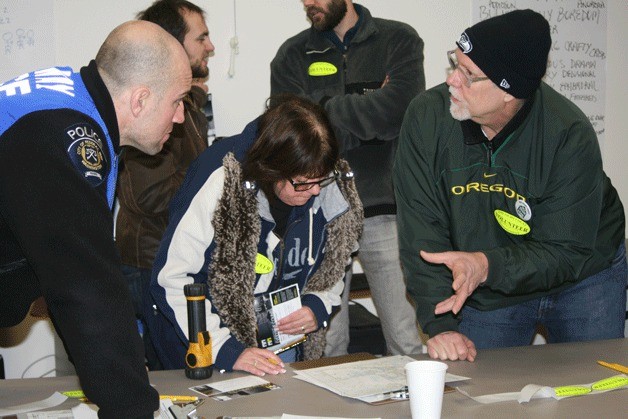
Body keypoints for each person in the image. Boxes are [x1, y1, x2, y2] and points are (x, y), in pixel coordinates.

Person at [394, 9, 626, 363]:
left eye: (468, 75)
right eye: (454, 64)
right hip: (489, 287)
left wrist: (486, 265)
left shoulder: (567, 133)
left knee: (595, 388)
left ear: (508, 92)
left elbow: (566, 250)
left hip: (584, 279)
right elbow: (421, 230)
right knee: (482, 395)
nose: (452, 81)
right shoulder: (426, 118)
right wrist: (440, 323)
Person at [0, 21, 191, 418]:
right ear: (140, 100)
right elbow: (87, 288)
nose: (180, 117)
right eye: (178, 100)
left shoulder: (65, 98)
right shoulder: (69, 135)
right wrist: (135, 409)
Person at [145, 94, 363, 375]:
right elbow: (171, 280)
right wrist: (225, 350)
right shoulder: (220, 180)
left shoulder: (323, 177)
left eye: (321, 179)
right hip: (207, 351)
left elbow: (335, 261)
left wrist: (317, 305)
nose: (316, 191)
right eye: (303, 184)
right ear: (271, 171)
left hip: (280, 352)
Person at [270, 0, 424, 356]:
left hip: (383, 208)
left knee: (404, 338)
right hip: (317, 214)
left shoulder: (398, 40)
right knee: (325, 343)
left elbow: (400, 112)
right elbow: (291, 130)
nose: (309, 3)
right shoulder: (291, 56)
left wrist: (322, 110)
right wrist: (370, 118)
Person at [115, 0, 214, 369]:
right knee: (171, 376)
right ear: (173, 44)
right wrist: (213, 185)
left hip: (171, 258)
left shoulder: (184, 104)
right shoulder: (149, 109)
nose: (210, 46)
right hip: (151, 263)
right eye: (201, 37)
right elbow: (150, 194)